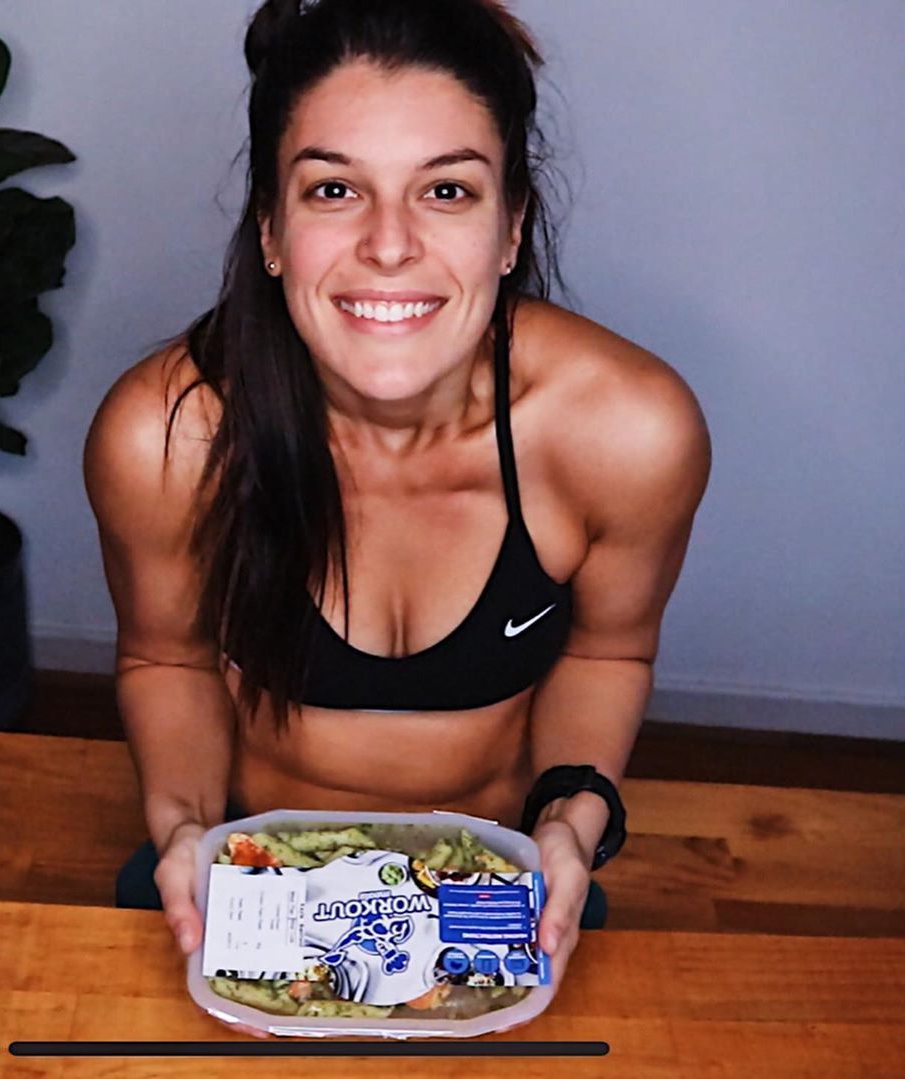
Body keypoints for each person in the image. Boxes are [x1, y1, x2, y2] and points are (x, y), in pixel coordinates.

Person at [83, 0, 711, 1009]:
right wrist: (183, 828)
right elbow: (167, 659)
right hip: (255, 883)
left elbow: (609, 652)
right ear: (270, 228)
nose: (388, 244)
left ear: (510, 228)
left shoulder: (628, 432)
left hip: (497, 886)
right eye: (334, 188)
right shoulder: (166, 437)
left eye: (446, 190)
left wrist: (571, 818)